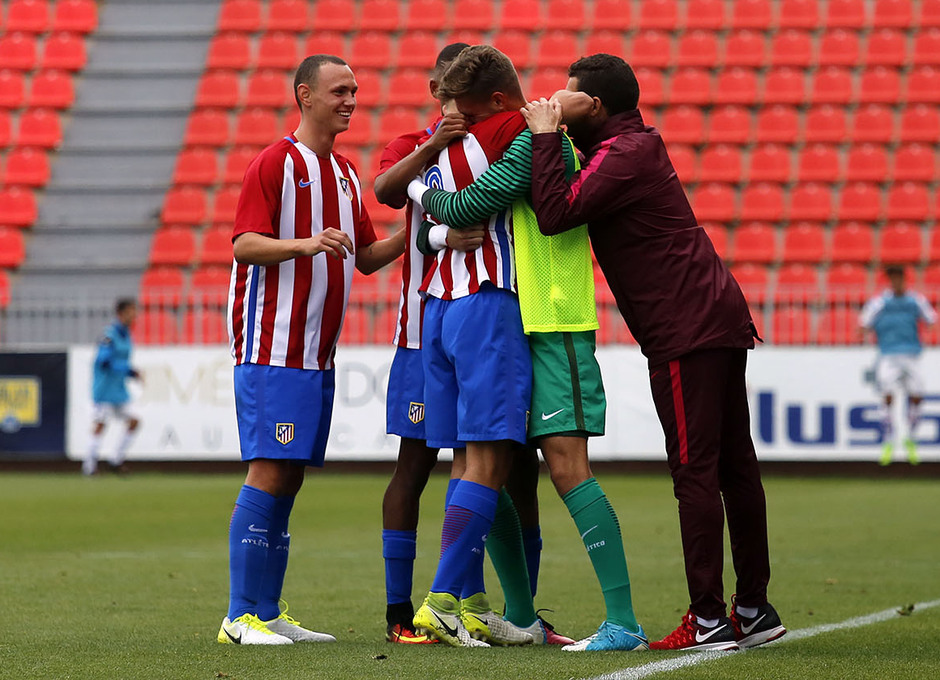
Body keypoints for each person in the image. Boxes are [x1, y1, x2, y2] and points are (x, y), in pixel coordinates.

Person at [521, 53, 786, 652]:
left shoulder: (623, 155)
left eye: (566, 97)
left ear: (594, 105)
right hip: (710, 315)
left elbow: (556, 214)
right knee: (735, 468)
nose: (556, 104)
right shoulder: (632, 147)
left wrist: (541, 135)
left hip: (684, 328)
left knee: (695, 470)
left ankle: (712, 617)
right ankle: (754, 608)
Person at [407, 60, 647, 653]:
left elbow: (464, 208)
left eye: (477, 112)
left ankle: (624, 622)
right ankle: (519, 613)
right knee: (503, 469)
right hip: (518, 324)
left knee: (567, 468)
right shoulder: (521, 135)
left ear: (496, 102)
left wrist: (420, 192)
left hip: (556, 321)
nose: (470, 125)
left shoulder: (534, 139)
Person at [374, 44, 558, 647]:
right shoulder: (505, 130)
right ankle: (444, 600)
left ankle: (480, 606)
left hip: (439, 313)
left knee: (470, 461)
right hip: (490, 303)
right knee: (492, 460)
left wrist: (430, 212)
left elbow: (396, 196)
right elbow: (554, 113)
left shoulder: (427, 151)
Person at [219, 54, 405, 646]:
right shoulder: (274, 162)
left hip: (318, 355)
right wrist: (304, 244)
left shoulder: (348, 175)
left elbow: (366, 257)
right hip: (273, 346)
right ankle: (238, 617)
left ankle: (267, 611)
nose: (351, 100)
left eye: (355, 90)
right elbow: (245, 244)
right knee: (269, 472)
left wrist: (425, 229)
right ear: (305, 95)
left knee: (291, 477)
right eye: (339, 91)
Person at [860, 264, 937, 465]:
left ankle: (910, 437)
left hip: (912, 355)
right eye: (892, 278)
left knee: (917, 396)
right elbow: (864, 323)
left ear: (904, 278)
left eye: (898, 277)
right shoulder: (880, 302)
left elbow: (931, 319)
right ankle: (888, 440)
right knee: (887, 395)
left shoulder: (915, 300)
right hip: (888, 356)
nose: (896, 281)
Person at [84, 298, 141, 476]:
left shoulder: (126, 334)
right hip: (104, 389)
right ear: (122, 313)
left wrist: (128, 372)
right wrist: (128, 370)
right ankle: (89, 466)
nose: (135, 315)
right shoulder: (109, 335)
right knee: (100, 424)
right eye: (131, 311)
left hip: (119, 390)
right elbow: (103, 361)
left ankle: (115, 460)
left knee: (134, 421)